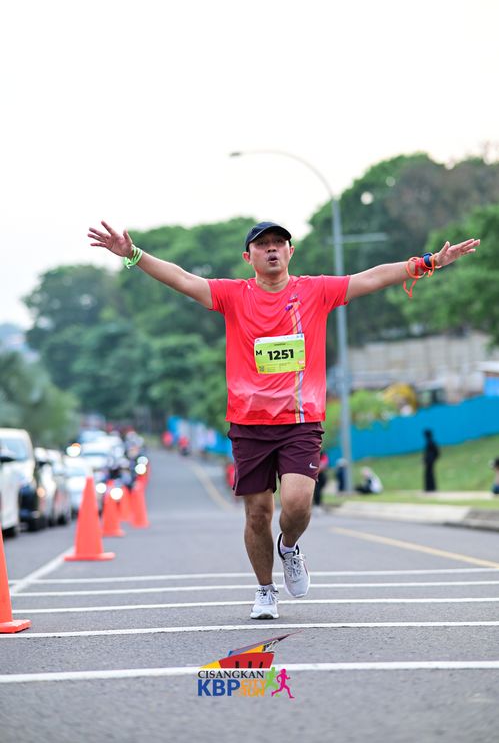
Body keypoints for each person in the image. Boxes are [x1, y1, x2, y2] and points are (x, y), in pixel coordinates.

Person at [88, 219, 479, 620]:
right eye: (263, 245)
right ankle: (264, 590)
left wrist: (427, 262)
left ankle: (289, 547)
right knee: (258, 513)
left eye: (279, 242)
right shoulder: (233, 295)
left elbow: (372, 278)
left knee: (296, 504)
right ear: (249, 257)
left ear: (291, 251)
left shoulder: (315, 291)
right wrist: (133, 254)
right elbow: (183, 279)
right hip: (249, 423)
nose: (272, 249)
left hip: (300, 421)